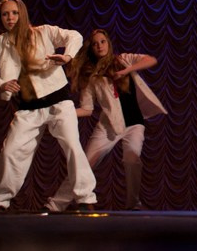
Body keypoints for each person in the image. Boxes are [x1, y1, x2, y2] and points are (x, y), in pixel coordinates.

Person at [0, 0, 96, 212]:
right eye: (5, 14)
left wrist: (67, 56)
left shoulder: (43, 32)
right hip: (28, 108)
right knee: (10, 151)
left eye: (14, 13)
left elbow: (74, 35)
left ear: (22, 13)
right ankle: (0, 201)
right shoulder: (2, 42)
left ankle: (86, 198)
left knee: (72, 145)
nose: (10, 18)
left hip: (58, 103)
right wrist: (0, 84)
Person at [66, 28, 167, 210]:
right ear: (91, 49)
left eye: (102, 41)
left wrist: (126, 70)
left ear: (108, 43)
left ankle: (133, 204)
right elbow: (87, 109)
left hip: (134, 123)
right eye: (95, 44)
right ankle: (55, 204)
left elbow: (150, 60)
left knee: (132, 158)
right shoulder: (92, 76)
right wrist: (64, 112)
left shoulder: (123, 60)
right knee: (84, 164)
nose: (99, 46)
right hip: (109, 126)